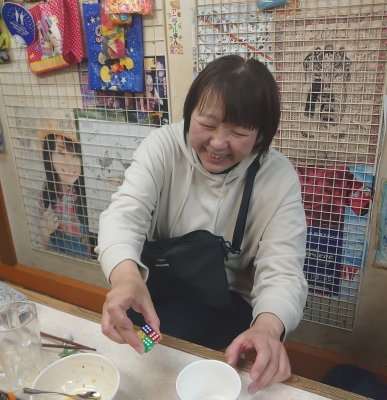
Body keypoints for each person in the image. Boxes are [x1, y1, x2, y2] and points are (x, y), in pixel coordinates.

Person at [96, 55, 308, 394]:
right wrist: (125, 278)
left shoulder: (278, 177)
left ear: (261, 134)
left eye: (238, 132)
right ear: (190, 112)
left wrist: (268, 328)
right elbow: (123, 215)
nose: (218, 143)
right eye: (207, 125)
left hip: (229, 305)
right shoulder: (163, 147)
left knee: (198, 368)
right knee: (134, 353)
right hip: (158, 292)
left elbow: (283, 271)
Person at [39, 120, 90, 260]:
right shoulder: (44, 196)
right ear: (49, 154)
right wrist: (45, 233)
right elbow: (46, 253)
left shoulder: (90, 195)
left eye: (75, 155)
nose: (69, 163)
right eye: (61, 152)